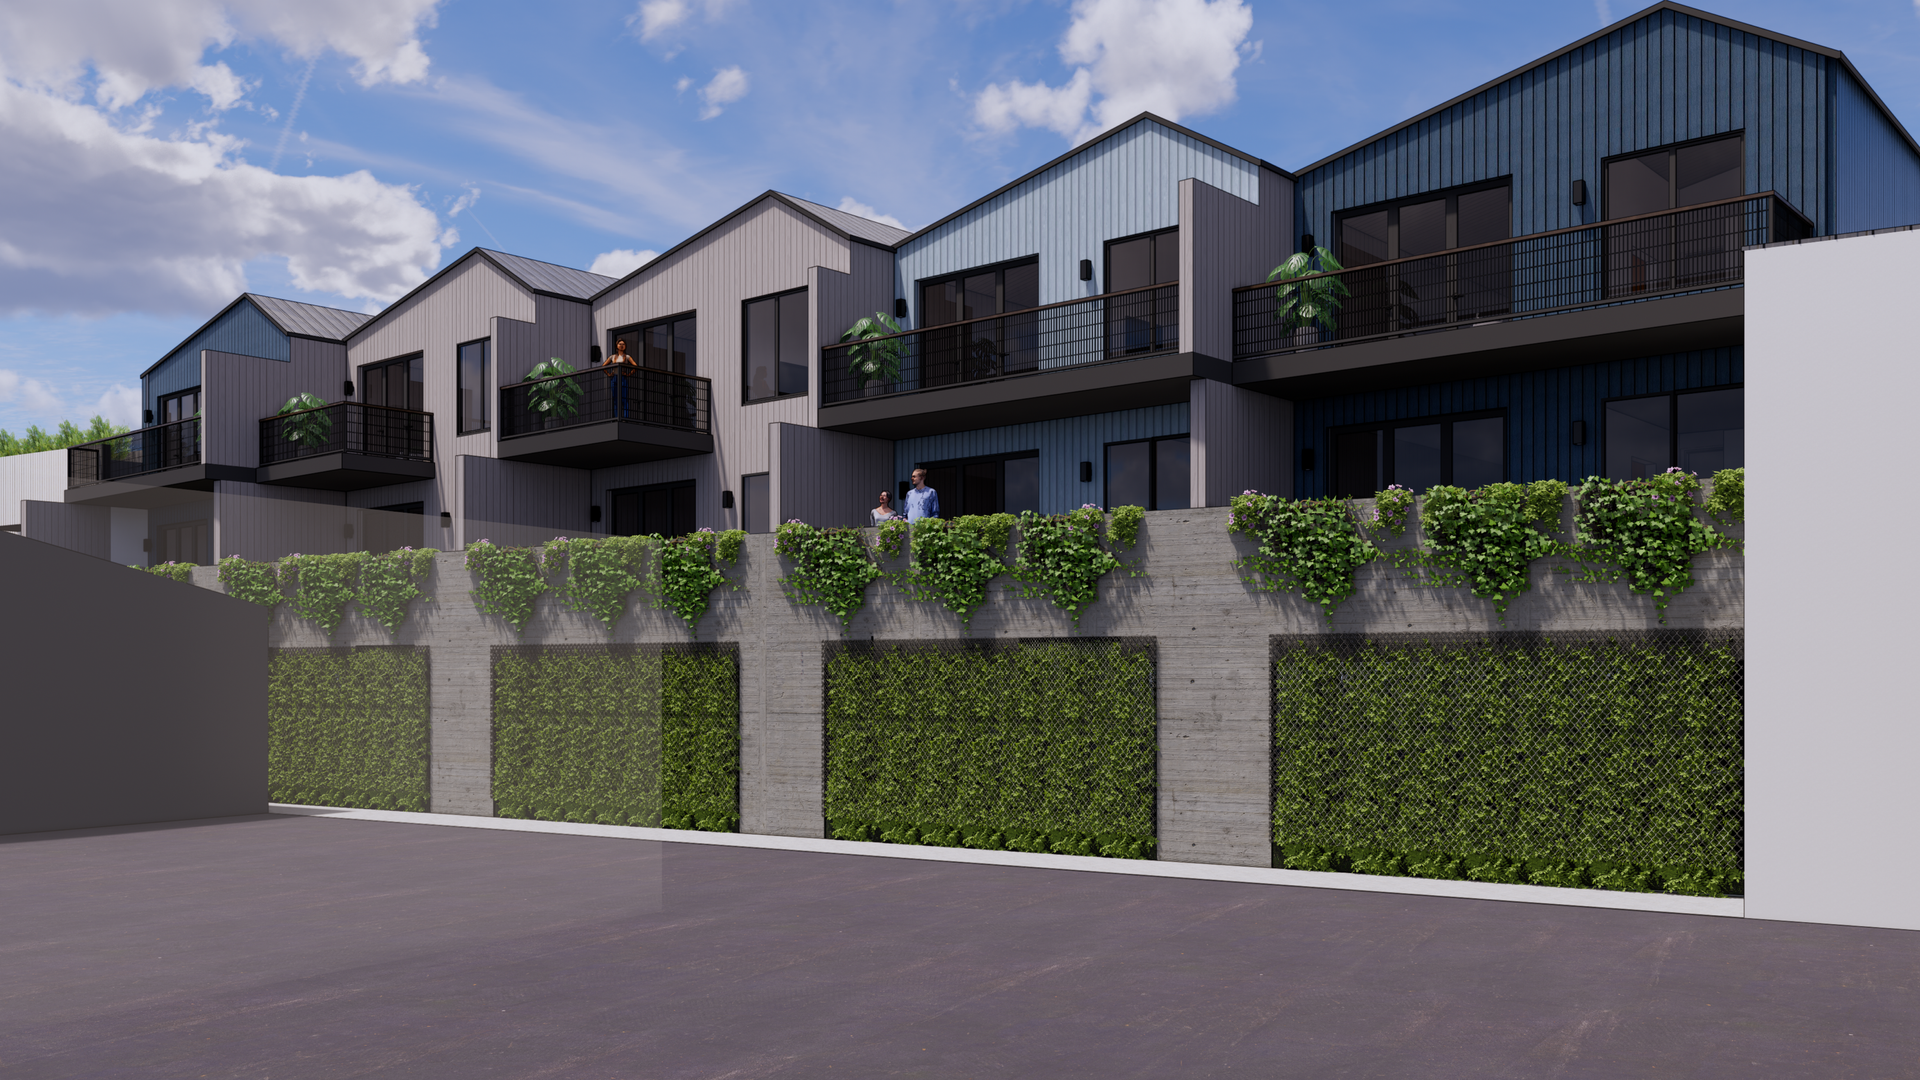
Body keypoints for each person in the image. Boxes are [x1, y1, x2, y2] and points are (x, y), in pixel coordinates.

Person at [602, 337, 637, 418]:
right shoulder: (612, 357)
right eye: (620, 344)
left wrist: (629, 374)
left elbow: (635, 366)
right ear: (616, 346)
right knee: (615, 400)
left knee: (624, 399)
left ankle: (625, 417)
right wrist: (608, 374)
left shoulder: (627, 357)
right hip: (614, 378)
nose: (621, 345)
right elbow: (604, 366)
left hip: (623, 378)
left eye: (623, 344)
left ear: (625, 346)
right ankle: (617, 417)